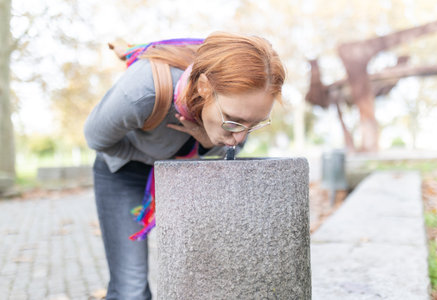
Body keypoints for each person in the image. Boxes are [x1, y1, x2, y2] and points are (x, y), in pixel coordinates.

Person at [84, 31, 286, 300]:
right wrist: (156, 157)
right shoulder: (144, 90)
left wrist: (204, 144)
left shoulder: (241, 104)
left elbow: (233, 145)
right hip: (124, 170)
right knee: (130, 287)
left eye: (254, 124)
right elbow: (96, 138)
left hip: (184, 169)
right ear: (204, 87)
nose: (240, 137)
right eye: (234, 120)